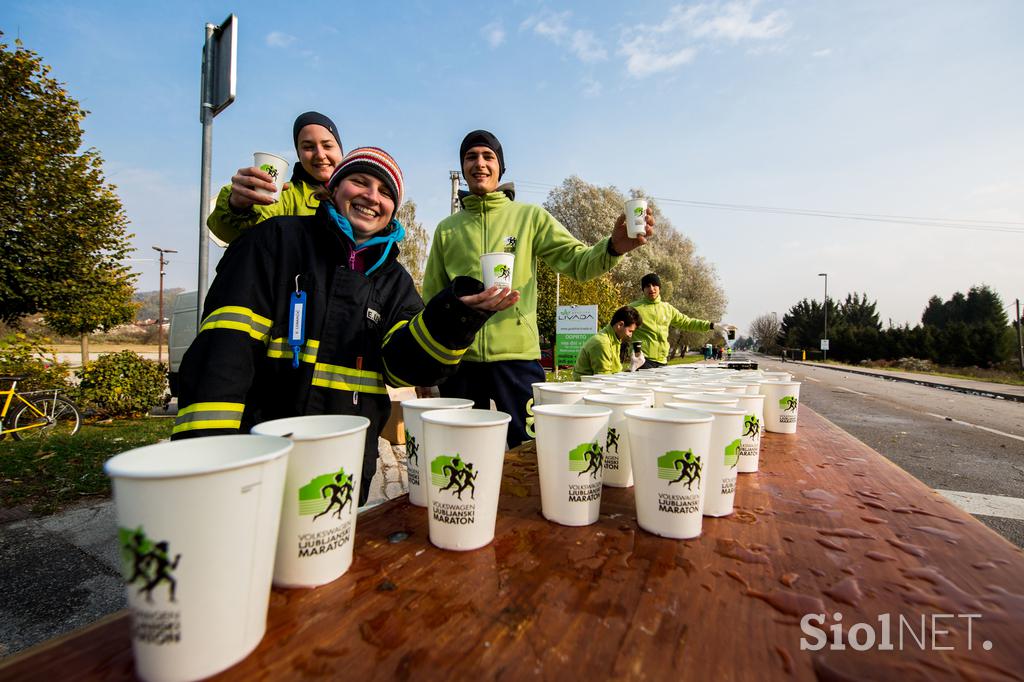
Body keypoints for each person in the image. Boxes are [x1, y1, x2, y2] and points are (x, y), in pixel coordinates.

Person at [173, 147, 516, 505]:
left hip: (345, 463)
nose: (372, 196)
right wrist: (208, 455)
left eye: (386, 192)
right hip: (259, 455)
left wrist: (454, 318)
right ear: (333, 189)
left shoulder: (394, 280)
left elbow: (404, 368)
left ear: (393, 211)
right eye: (360, 182)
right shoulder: (275, 240)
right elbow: (223, 353)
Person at [421, 130, 654, 447]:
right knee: (461, 454)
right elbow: (430, 303)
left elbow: (577, 261)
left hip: (517, 360)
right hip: (460, 361)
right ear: (462, 167)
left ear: (501, 167)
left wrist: (613, 247)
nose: (479, 163)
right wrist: (427, 368)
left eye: (488, 156)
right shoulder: (447, 230)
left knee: (532, 452)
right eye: (470, 157)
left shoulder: (529, 218)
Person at [207, 111, 344, 244]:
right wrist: (236, 207)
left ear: (340, 149)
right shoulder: (282, 197)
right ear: (299, 154)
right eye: (308, 147)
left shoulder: (360, 193)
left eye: (327, 145)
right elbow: (232, 234)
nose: (320, 155)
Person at [630, 273, 733, 369]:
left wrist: (712, 325)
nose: (651, 289)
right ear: (643, 289)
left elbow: (687, 322)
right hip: (642, 360)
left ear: (659, 288)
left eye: (654, 285)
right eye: (647, 286)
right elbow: (617, 328)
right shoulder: (634, 308)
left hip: (662, 361)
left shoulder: (667, 309)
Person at [573, 306, 644, 380]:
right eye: (630, 331)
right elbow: (604, 380)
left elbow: (614, 373)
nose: (630, 335)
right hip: (586, 388)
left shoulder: (614, 339)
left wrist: (631, 369)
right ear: (620, 325)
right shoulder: (603, 343)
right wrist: (632, 369)